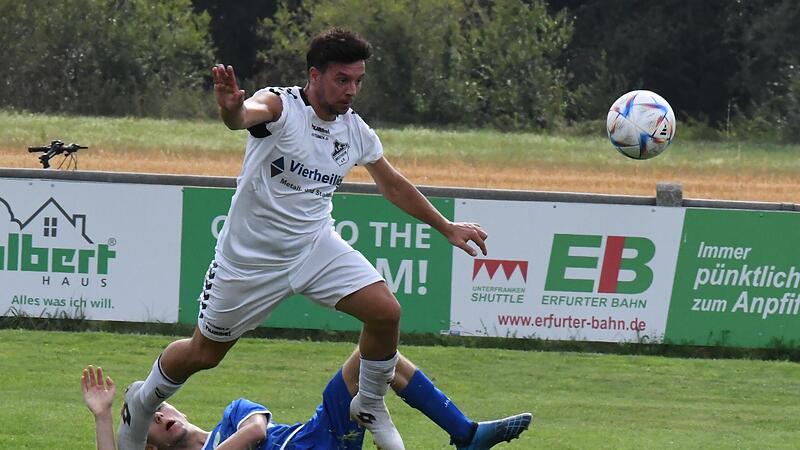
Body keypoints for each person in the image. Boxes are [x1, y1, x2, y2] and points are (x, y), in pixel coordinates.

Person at [117, 27, 488, 450]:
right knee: (205, 354)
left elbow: (394, 186)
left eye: (358, 81)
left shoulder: (355, 131)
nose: (352, 90)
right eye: (342, 80)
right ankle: (145, 397)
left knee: (385, 312)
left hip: (314, 248)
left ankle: (367, 404)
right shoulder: (281, 105)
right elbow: (246, 115)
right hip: (249, 261)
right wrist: (231, 112)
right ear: (314, 76)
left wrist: (447, 227)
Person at [84, 350, 532, 449]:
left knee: (379, 351)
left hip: (320, 434)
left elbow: (258, 430)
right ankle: (376, 419)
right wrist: (106, 418)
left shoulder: (233, 413)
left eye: (161, 404)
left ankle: (466, 433)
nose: (159, 413)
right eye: (149, 418)